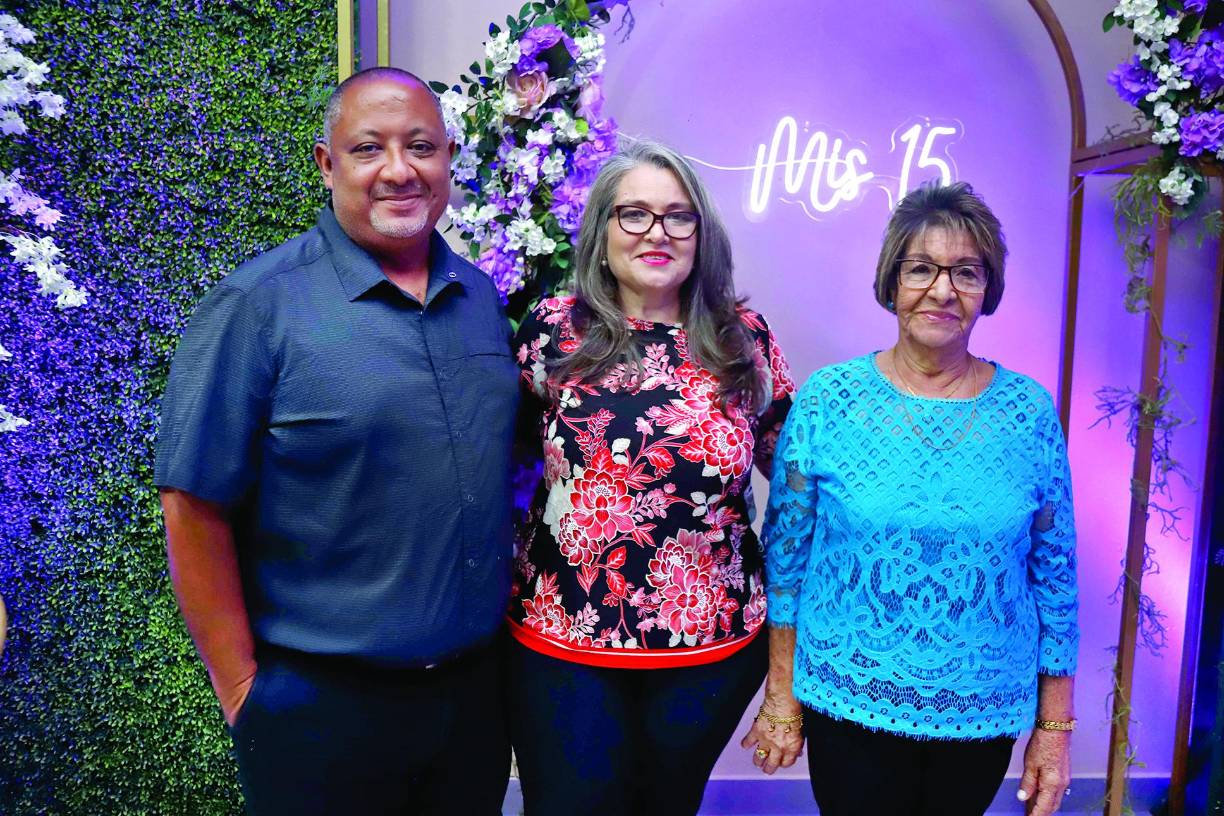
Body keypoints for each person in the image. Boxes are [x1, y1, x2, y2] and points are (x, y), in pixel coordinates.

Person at [153, 67, 518, 815]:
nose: (398, 169)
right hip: (320, 711)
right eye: (367, 148)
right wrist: (243, 692)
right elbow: (193, 505)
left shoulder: (480, 297)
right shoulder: (258, 305)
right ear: (327, 165)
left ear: (448, 157)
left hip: (472, 702)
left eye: (421, 146)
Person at [747, 181, 1079, 816]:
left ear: (989, 289)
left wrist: (1055, 731)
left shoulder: (1029, 412)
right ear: (892, 281)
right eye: (922, 268)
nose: (943, 289)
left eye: (966, 272)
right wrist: (781, 696)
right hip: (850, 700)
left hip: (983, 711)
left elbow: (1055, 575)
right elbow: (785, 563)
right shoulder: (826, 402)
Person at [507, 139, 796, 815]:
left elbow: (796, 490)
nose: (656, 232)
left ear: (702, 233)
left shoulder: (742, 339)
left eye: (677, 216)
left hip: (709, 653)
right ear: (602, 229)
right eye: (633, 214)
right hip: (563, 643)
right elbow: (504, 468)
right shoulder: (552, 331)